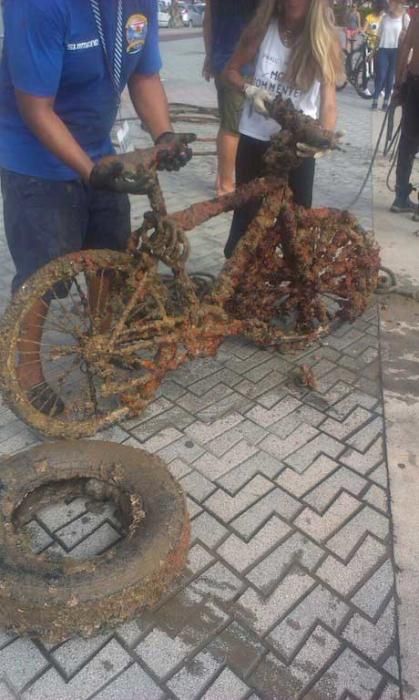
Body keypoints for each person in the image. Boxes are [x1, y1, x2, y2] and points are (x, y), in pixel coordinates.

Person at [0, 0, 192, 414]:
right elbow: (35, 109)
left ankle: (104, 339)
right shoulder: (39, 6)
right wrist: (89, 172)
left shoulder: (138, 3)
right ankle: (27, 372)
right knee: (42, 277)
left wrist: (165, 135)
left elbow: (144, 75)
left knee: (110, 258)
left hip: (100, 152)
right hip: (35, 160)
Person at [222, 0, 343, 258]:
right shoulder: (262, 29)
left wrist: (325, 136)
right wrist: (249, 89)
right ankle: (238, 282)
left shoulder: (324, 39)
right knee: (245, 219)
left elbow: (329, 101)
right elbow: (230, 71)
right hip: (255, 139)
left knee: (297, 226)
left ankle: (293, 288)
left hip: (297, 147)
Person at [202, 0, 259, 196]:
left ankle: (221, 178)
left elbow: (207, 21)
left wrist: (209, 56)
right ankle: (226, 187)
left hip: (221, 61)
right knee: (233, 129)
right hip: (242, 67)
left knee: (227, 124)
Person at [390, 13, 419, 213]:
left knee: (407, 143)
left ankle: (400, 197)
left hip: (414, 82)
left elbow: (405, 47)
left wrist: (398, 83)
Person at [371, 0, 410, 110]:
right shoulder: (385, 17)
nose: (390, 4)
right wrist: (374, 50)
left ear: (398, 4)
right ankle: (375, 99)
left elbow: (410, 35)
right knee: (381, 75)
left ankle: (386, 101)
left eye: (392, 2)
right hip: (383, 49)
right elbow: (379, 35)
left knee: (390, 78)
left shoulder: (404, 18)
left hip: (396, 51)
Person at [360, 0, 387, 97]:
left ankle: (378, 88)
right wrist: (364, 34)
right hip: (369, 45)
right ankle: (365, 87)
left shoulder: (383, 19)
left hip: (378, 47)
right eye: (381, 10)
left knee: (378, 68)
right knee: (366, 67)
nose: (382, 12)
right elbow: (363, 30)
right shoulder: (369, 17)